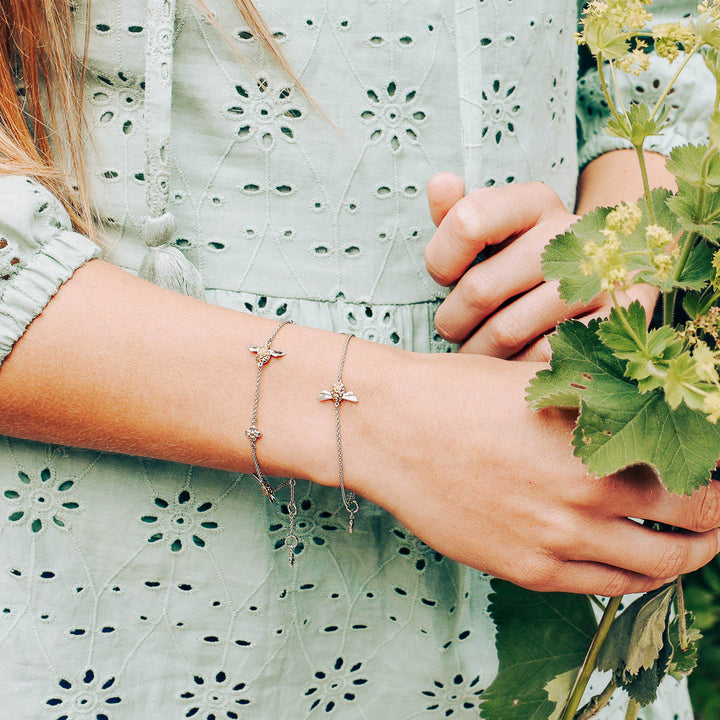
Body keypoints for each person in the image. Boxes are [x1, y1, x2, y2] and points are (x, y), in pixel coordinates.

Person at [0, 0, 716, 717]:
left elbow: (658, 32)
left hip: (556, 555)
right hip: (121, 583)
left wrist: (624, 244)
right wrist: (387, 420)